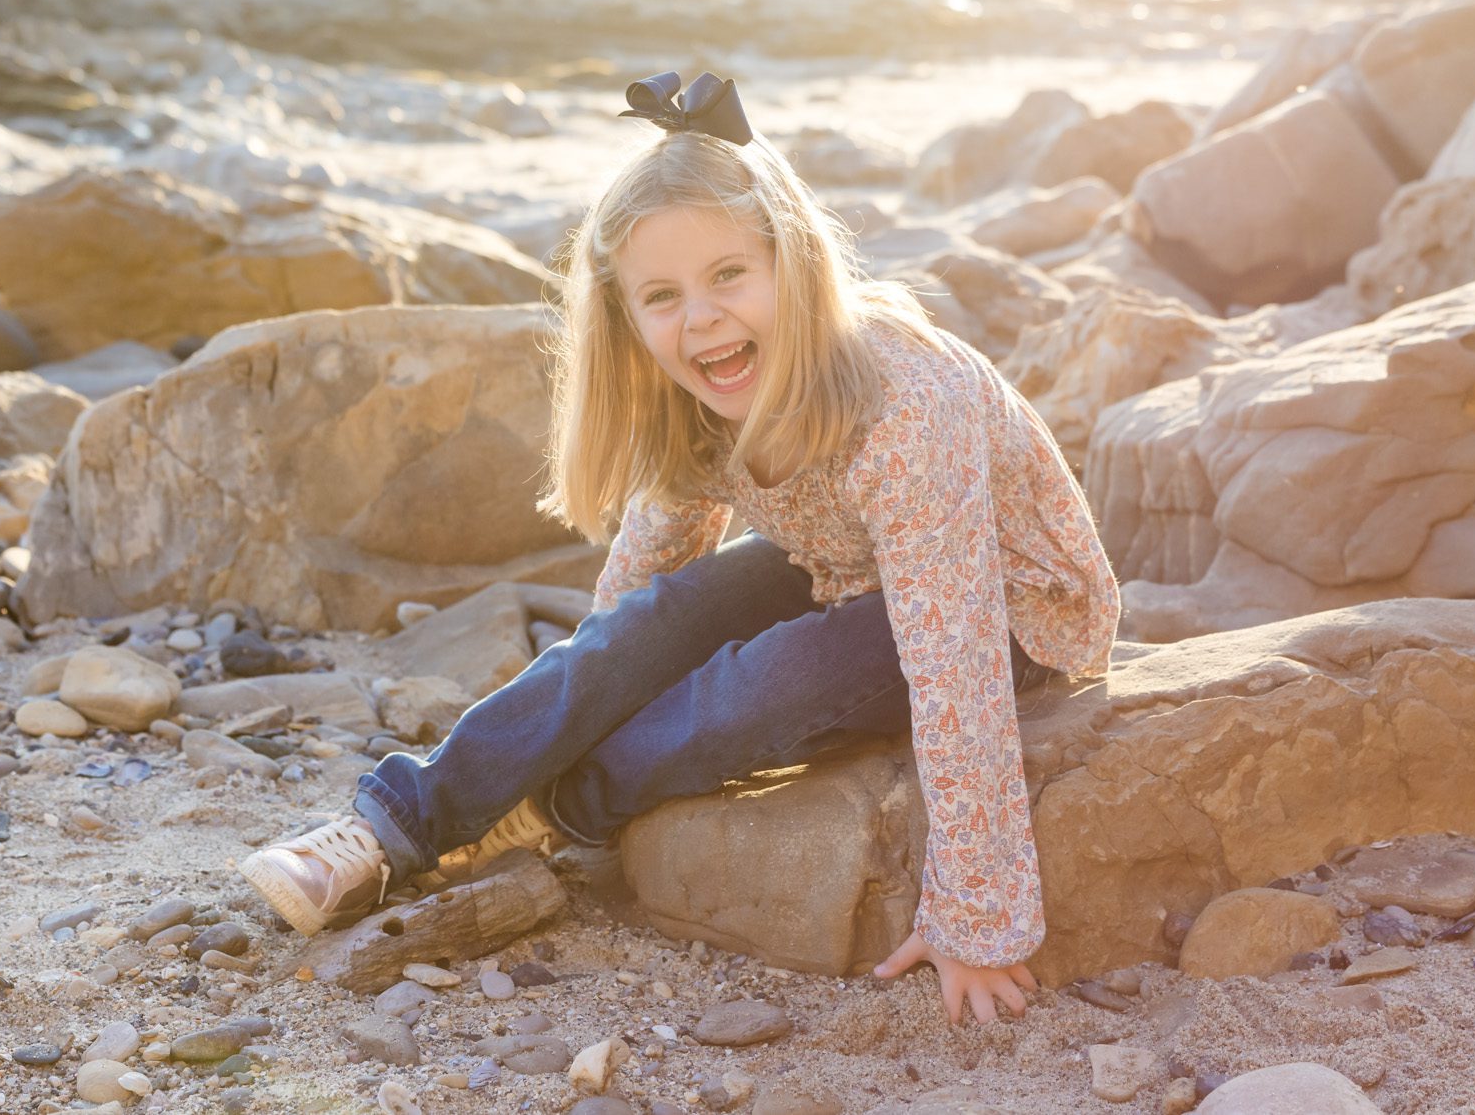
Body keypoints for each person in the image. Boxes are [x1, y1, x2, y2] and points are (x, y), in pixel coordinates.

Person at [241, 70, 1121, 1027]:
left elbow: (953, 666)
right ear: (625, 316)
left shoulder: (903, 406)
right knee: (664, 623)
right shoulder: (696, 393)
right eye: (662, 295)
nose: (699, 317)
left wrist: (977, 920)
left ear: (795, 263)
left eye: (729, 276)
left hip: (1008, 609)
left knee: (764, 682)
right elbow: (644, 594)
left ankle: (557, 809)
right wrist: (571, 707)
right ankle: (392, 822)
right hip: (841, 565)